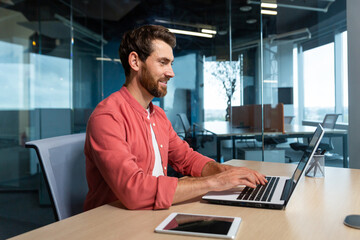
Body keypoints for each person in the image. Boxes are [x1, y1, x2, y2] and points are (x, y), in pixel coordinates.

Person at [83, 25, 267, 211]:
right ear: (135, 62)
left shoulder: (158, 115)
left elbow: (186, 158)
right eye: (163, 63)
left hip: (154, 212)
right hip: (115, 223)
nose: (171, 73)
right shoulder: (107, 117)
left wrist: (226, 172)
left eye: (171, 64)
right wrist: (214, 182)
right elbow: (134, 191)